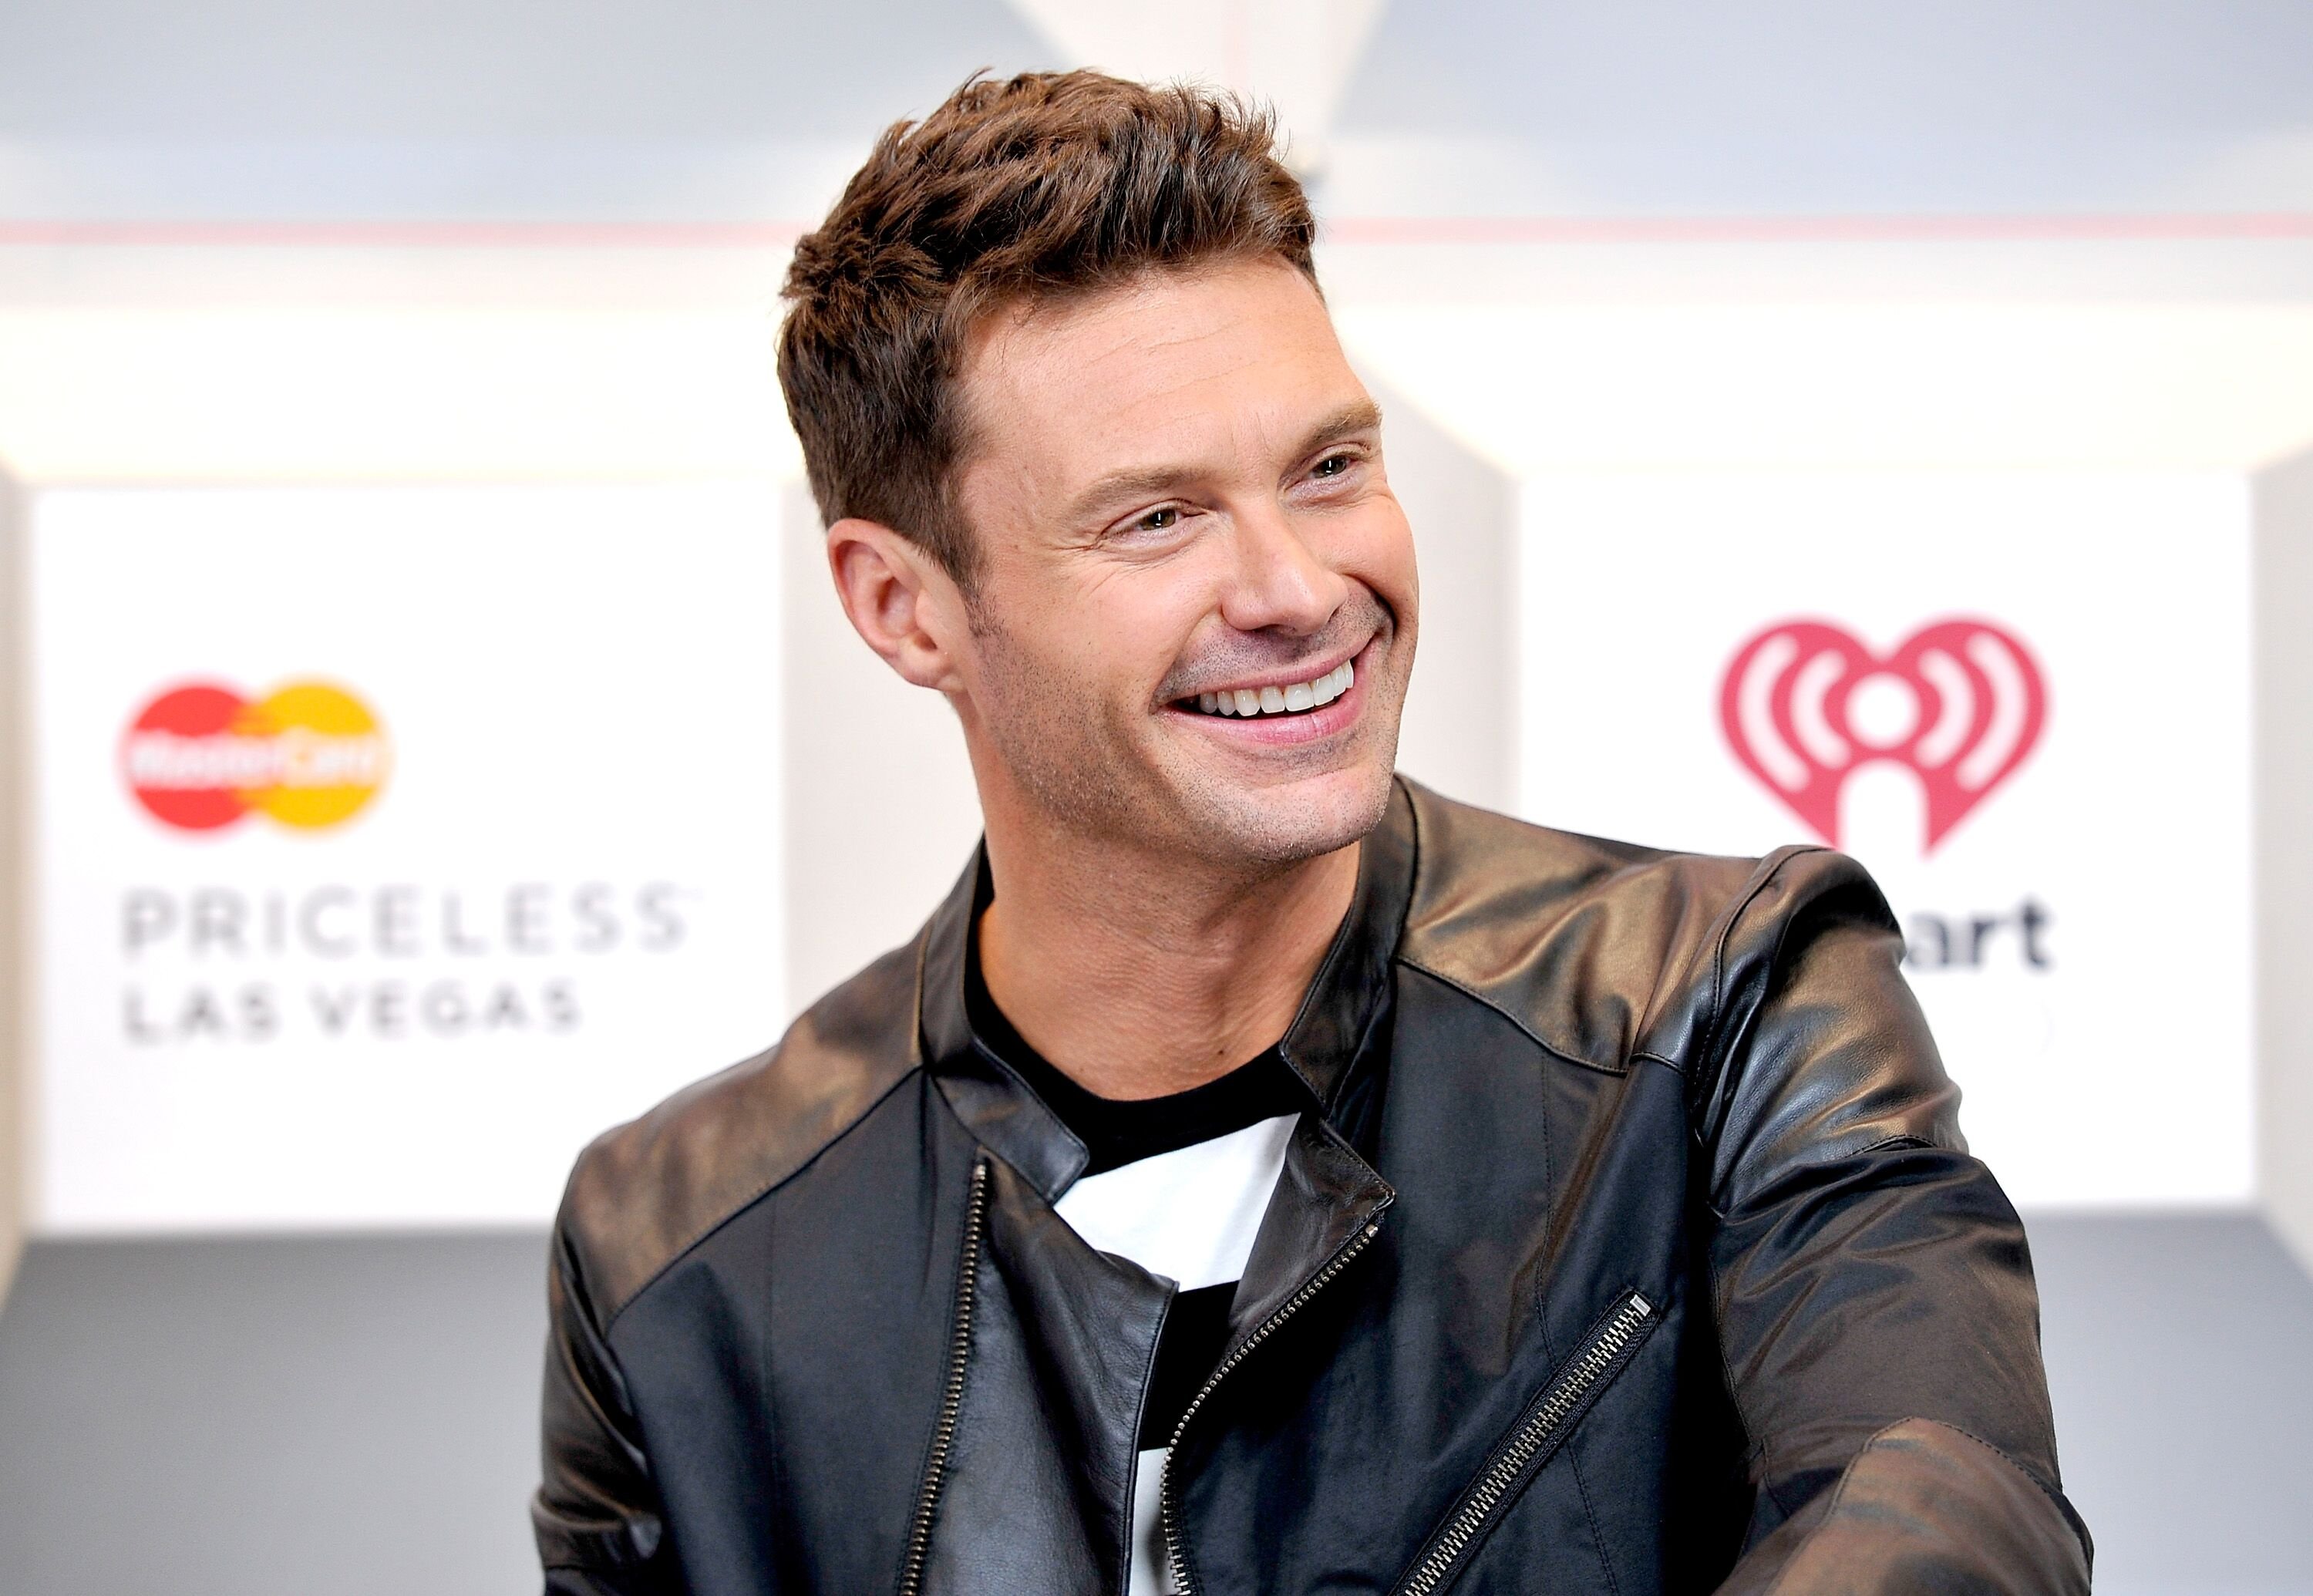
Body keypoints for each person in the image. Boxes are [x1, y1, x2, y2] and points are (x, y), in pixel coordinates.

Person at [533, 69, 2090, 1595]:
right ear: (904, 606)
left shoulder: (1726, 1004)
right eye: (1159, 517)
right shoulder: (679, 1255)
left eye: (1330, 469)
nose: (1295, 590)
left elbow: (1944, 1512)